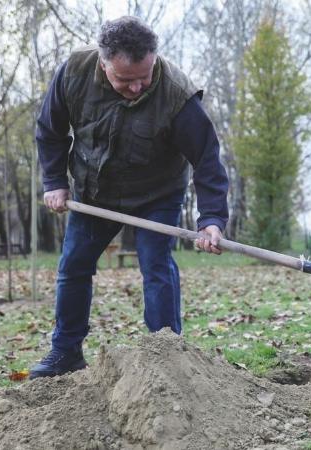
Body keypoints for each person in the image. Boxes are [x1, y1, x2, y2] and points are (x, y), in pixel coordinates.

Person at [33, 16, 229, 379]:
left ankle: (167, 355)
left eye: (145, 75)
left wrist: (212, 219)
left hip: (157, 193)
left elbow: (207, 158)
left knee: (156, 265)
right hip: (95, 194)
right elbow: (50, 129)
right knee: (73, 265)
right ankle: (65, 352)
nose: (138, 86)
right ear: (103, 63)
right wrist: (55, 181)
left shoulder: (175, 94)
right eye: (125, 79)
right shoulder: (74, 72)